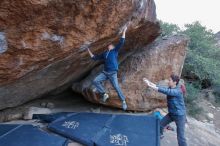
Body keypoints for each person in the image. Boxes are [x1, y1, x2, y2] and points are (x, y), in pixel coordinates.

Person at [87, 27, 128, 110]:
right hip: (105, 73)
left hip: (113, 73)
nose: (109, 45)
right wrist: (88, 50)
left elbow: (121, 42)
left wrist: (124, 31)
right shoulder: (105, 53)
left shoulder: (115, 51)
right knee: (95, 81)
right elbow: (94, 57)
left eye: (110, 45)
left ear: (113, 46)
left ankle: (123, 101)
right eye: (108, 45)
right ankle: (104, 93)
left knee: (116, 87)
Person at [143, 74, 187, 146]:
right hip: (171, 114)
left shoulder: (178, 91)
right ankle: (160, 135)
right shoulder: (170, 88)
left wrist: (150, 86)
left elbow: (165, 91)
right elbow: (160, 87)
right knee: (160, 125)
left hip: (180, 115)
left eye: (170, 80)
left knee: (180, 137)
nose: (168, 81)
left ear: (175, 82)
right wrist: (149, 82)